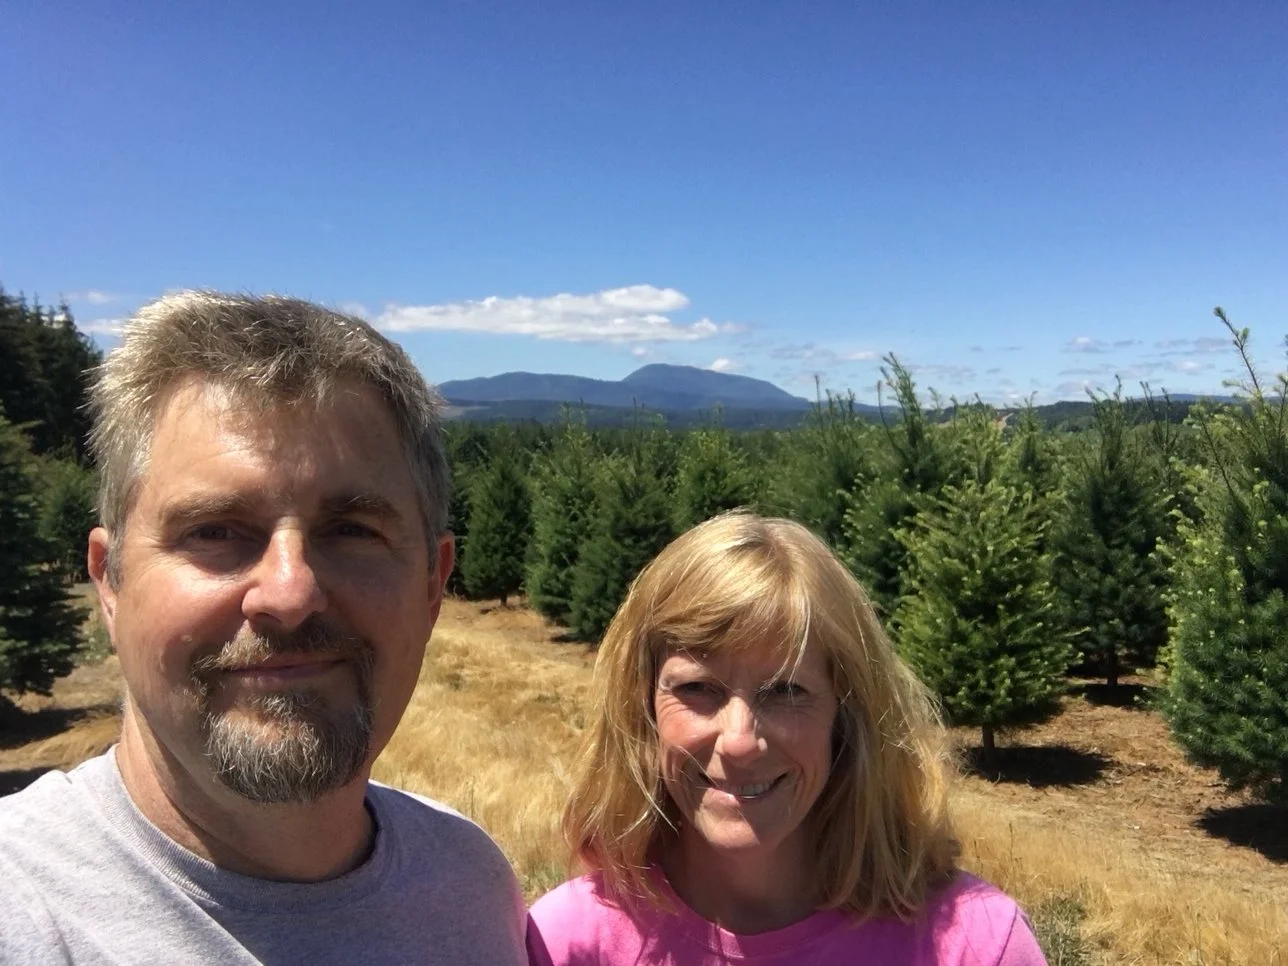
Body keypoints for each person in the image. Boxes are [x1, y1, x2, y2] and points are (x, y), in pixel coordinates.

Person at [0, 292, 528, 964]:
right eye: (215, 531)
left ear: (432, 584)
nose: (290, 592)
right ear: (110, 580)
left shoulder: (472, 883)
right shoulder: (18, 915)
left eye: (351, 530)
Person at [527, 512, 1047, 965]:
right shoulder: (563, 944)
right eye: (697, 688)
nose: (739, 741)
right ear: (643, 709)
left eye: (785, 691)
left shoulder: (974, 946)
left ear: (847, 714)